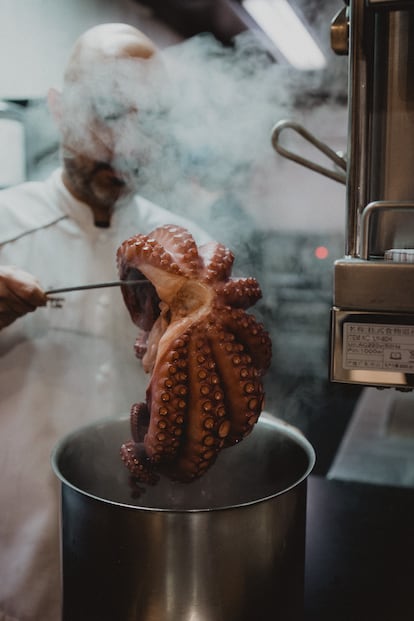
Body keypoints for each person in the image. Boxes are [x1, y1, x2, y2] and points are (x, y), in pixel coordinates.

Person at [0, 23, 209, 621]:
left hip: (154, 562)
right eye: (107, 114)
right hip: (18, 564)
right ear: (60, 109)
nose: (125, 146)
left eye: (148, 123)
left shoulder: (193, 252)